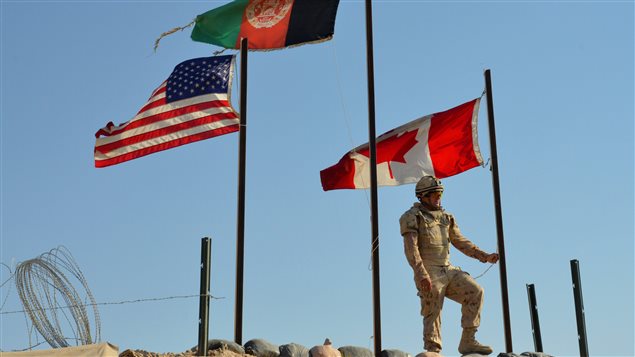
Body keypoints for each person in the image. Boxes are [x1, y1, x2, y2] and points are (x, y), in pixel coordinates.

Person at [399, 176, 499, 355]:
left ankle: (468, 341)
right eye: (435, 194)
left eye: (440, 193)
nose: (439, 198)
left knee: (475, 291)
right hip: (429, 270)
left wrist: (484, 256)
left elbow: (460, 242)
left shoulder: (446, 217)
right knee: (433, 306)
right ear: (423, 196)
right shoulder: (412, 217)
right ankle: (433, 350)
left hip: (448, 269)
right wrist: (421, 273)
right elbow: (411, 249)